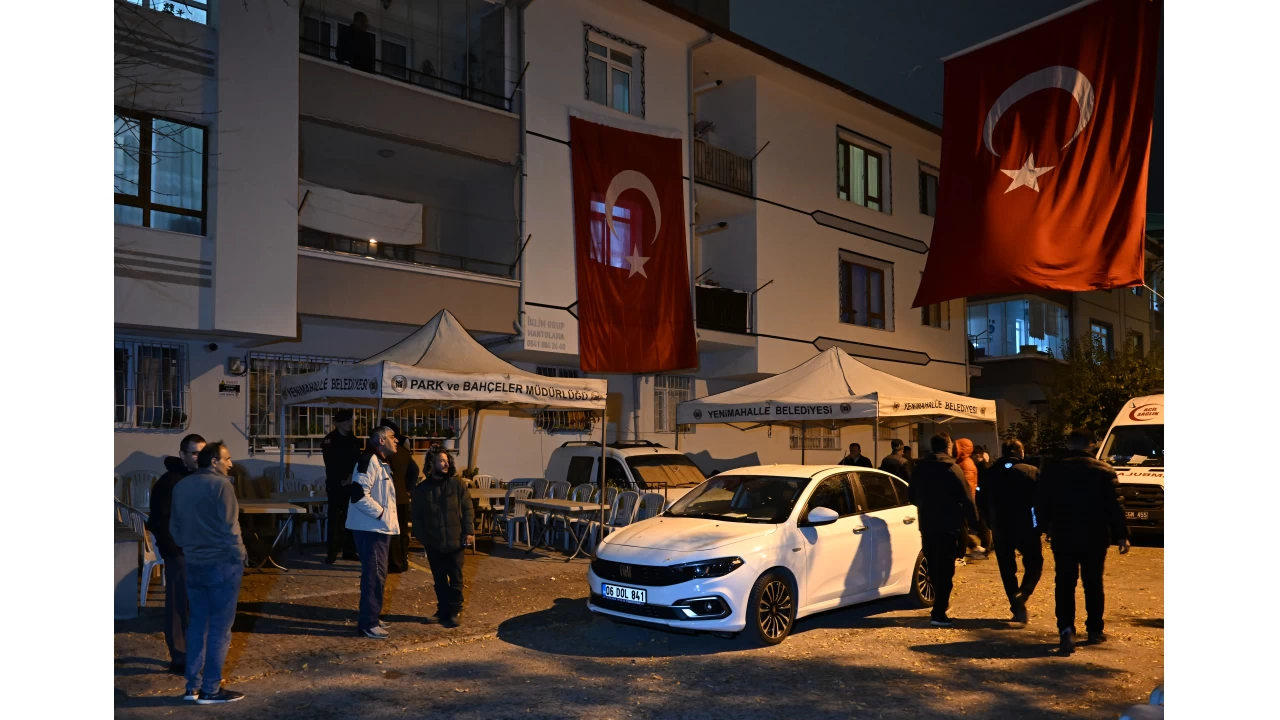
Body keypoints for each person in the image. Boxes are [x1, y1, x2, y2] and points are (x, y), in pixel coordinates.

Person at [1037, 429, 1131, 655]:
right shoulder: (1104, 471)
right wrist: (1122, 534)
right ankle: (1094, 629)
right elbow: (1115, 506)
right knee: (1093, 583)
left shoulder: (1053, 470)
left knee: (1065, 583)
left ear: (1068, 444)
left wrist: (1043, 528)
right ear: (1092, 445)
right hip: (1095, 535)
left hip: (1063, 534)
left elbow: (1040, 502)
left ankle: (1066, 629)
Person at [169, 441, 246, 705]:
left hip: (194, 562)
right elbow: (230, 527)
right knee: (220, 629)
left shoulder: (182, 485)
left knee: (197, 625)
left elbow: (175, 528)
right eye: (227, 458)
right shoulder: (222, 486)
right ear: (213, 461)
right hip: (222, 562)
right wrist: (240, 555)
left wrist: (191, 548)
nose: (230, 463)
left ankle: (193, 687)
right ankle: (211, 689)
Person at [145, 433, 205, 675]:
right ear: (183, 455)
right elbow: (160, 521)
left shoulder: (197, 479)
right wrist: (175, 551)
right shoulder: (171, 481)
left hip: (196, 551)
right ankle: (179, 657)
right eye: (194, 453)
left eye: (202, 452)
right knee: (178, 603)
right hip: (178, 552)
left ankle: (192, 652)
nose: (199, 457)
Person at [906, 433, 979, 628]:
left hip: (927, 524)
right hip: (949, 525)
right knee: (946, 569)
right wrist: (975, 524)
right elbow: (967, 498)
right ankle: (939, 611)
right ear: (947, 447)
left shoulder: (920, 468)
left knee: (933, 565)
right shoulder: (952, 468)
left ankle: (939, 605)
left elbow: (911, 496)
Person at [346, 426, 400, 639]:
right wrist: (381, 514)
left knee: (377, 575)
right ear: (380, 440)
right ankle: (368, 623)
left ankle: (372, 618)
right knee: (374, 576)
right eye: (392, 436)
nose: (396, 440)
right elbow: (358, 495)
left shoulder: (380, 463)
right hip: (371, 529)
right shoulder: (368, 461)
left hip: (377, 528)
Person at [411, 447, 475, 628]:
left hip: (456, 541)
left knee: (456, 578)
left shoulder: (458, 485)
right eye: (441, 461)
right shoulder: (422, 489)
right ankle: (443, 610)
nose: (446, 464)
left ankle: (455, 610)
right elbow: (416, 516)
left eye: (447, 460)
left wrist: (469, 532)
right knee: (439, 579)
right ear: (431, 464)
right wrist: (424, 539)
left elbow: (468, 509)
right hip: (434, 543)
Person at [984, 439, 1043, 625]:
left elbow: (981, 500)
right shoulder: (1031, 472)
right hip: (1026, 525)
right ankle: (1023, 593)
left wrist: (989, 522)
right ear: (1020, 452)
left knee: (1007, 569)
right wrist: (1041, 524)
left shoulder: (990, 473)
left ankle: (1016, 606)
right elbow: (1041, 501)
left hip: (1000, 526)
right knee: (1034, 562)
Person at [378, 419, 420, 574]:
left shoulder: (386, 454)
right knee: (402, 532)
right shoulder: (404, 452)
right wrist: (409, 489)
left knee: (392, 532)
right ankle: (403, 560)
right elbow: (414, 471)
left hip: (389, 498)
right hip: (402, 496)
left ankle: (395, 562)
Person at [322, 409, 362, 564]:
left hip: (351, 484)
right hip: (336, 485)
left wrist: (352, 476)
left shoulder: (353, 440)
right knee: (335, 520)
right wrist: (343, 478)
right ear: (337, 423)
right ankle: (332, 552)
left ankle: (349, 550)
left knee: (351, 518)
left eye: (350, 421)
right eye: (346, 421)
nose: (350, 424)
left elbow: (358, 460)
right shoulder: (330, 440)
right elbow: (331, 463)